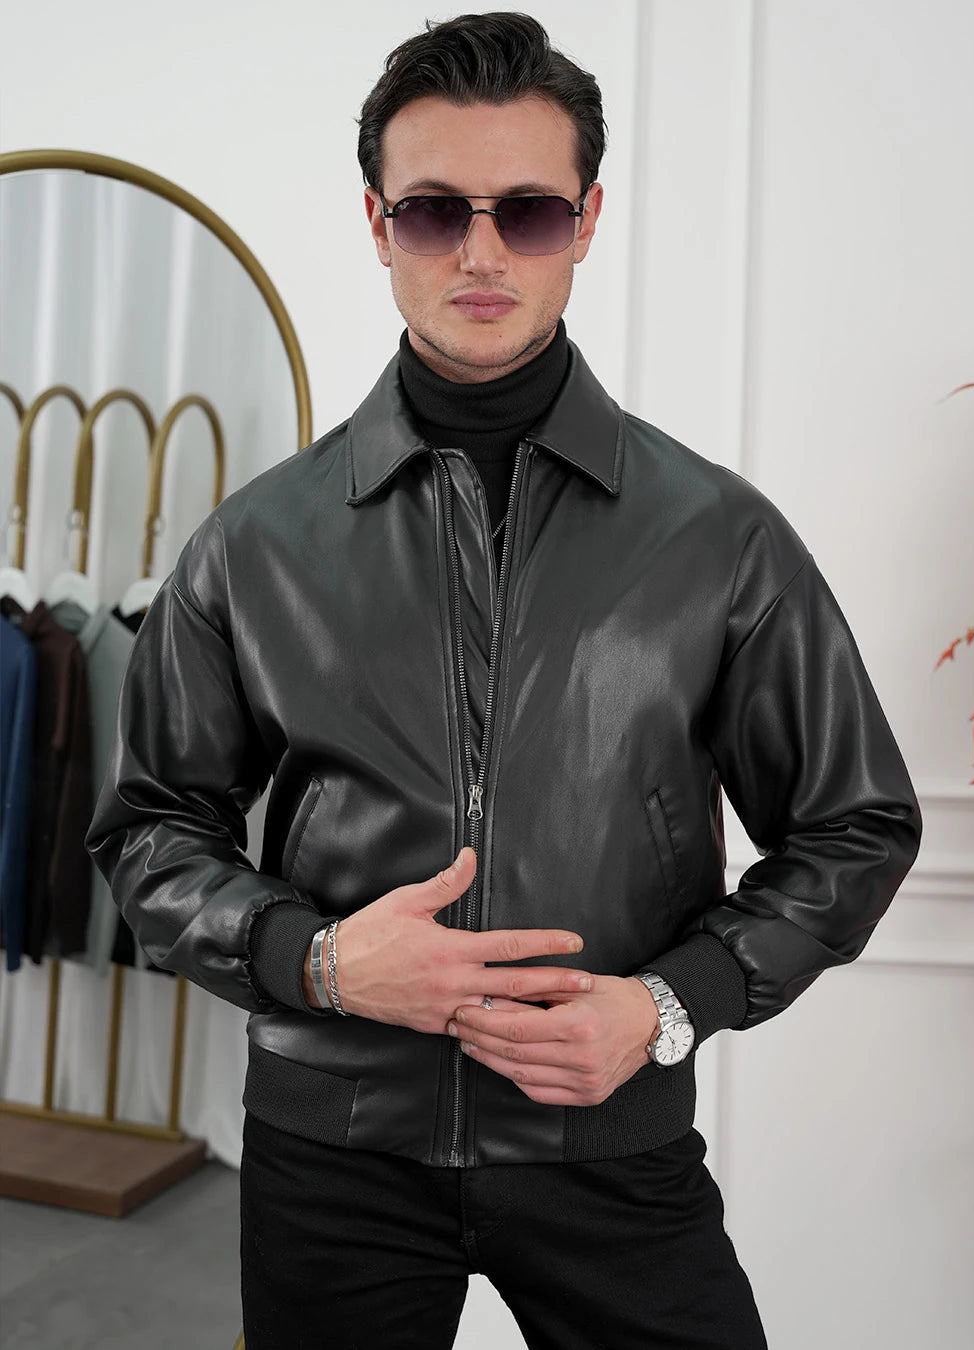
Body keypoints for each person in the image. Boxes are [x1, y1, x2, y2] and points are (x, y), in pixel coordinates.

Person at [86, 12, 922, 1349]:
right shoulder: (254, 544)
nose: (480, 254)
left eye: (526, 212)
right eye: (435, 212)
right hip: (332, 1153)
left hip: (609, 1141)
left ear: (586, 222)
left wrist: (668, 1006)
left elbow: (855, 823)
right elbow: (149, 829)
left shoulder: (719, 536)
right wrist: (318, 960)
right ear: (378, 223)